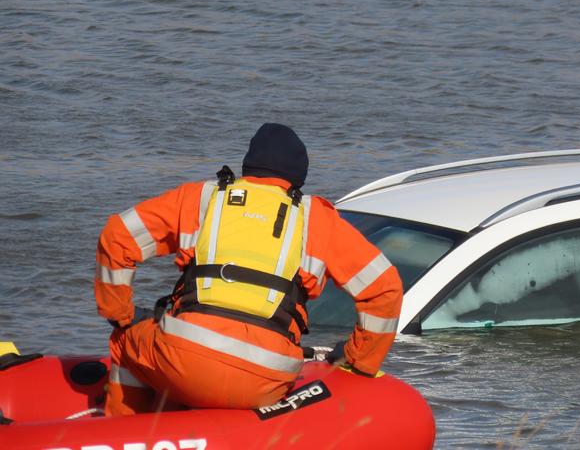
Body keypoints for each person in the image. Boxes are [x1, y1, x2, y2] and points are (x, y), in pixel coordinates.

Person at [94, 123, 403, 416]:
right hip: (269, 376)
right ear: (297, 180)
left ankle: (126, 430)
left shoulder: (200, 198)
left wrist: (120, 314)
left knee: (125, 338)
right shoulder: (317, 219)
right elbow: (385, 288)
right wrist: (359, 360)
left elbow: (118, 234)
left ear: (247, 167)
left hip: (184, 359)